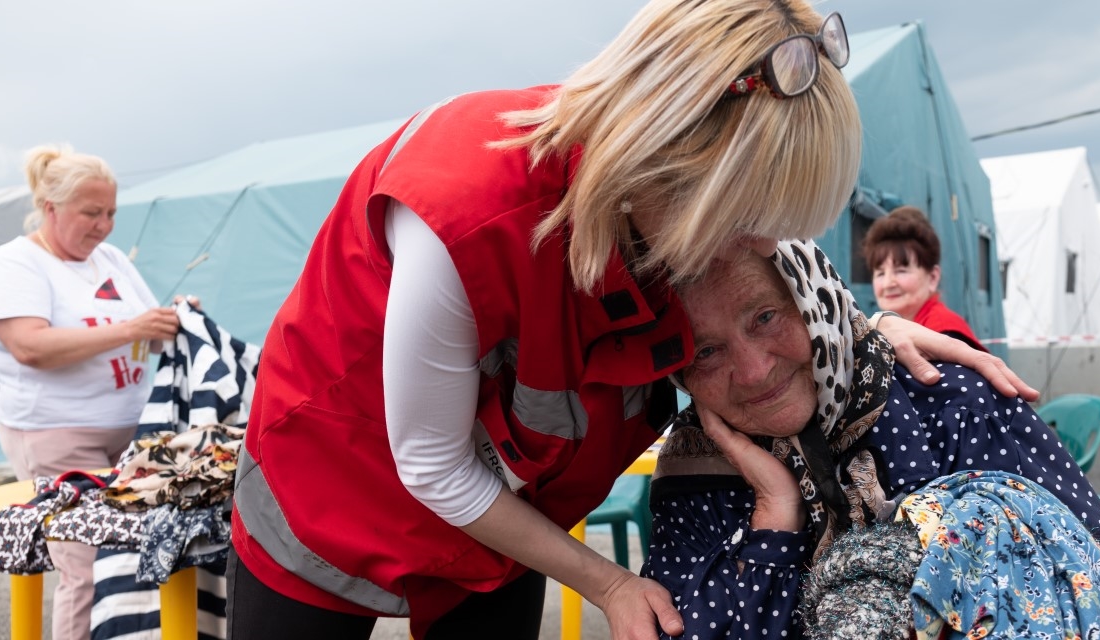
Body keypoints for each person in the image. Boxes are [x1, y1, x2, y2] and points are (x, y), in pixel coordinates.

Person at [226, 2, 1037, 639]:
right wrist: (607, 582)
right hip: (334, 490)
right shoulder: (466, 211)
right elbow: (433, 467)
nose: (764, 248)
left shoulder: (683, 216)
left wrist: (866, 335)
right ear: (669, 157)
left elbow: (772, 304)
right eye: (752, 221)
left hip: (511, 520)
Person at [644, 242, 1100, 638]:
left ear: (813, 299)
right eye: (706, 351)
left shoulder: (951, 402)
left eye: (765, 317)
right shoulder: (695, 471)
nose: (754, 371)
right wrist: (774, 518)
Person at [0, 145, 183, 640]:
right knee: (86, 570)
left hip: (130, 435)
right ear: (51, 208)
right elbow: (30, 347)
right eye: (91, 213)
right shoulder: (14, 264)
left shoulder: (109, 260)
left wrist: (176, 320)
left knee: (140, 561)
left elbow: (149, 333)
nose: (104, 226)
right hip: (56, 436)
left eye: (111, 213)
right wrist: (130, 328)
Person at [864, 205, 987, 351]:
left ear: (933, 277)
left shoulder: (944, 334)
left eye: (901, 271)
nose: (888, 283)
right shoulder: (888, 332)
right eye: (880, 273)